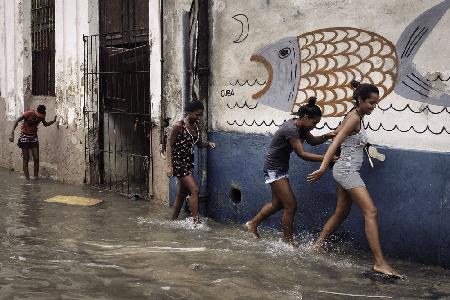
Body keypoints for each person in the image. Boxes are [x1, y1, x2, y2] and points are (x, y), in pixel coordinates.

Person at [308, 80, 401, 277]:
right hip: (347, 171)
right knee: (371, 211)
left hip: (347, 169)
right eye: (371, 103)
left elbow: (345, 139)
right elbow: (335, 143)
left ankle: (317, 245)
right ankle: (379, 262)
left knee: (341, 211)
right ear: (359, 100)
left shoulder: (357, 114)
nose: (373, 107)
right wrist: (323, 167)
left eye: (376, 103)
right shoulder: (353, 118)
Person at [245, 97, 336, 247]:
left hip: (280, 168)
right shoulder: (292, 129)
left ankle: (252, 224)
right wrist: (328, 158)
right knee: (291, 206)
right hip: (274, 169)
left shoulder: (302, 127)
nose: (314, 126)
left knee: (277, 204)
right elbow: (302, 154)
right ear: (306, 117)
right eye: (314, 123)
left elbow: (313, 141)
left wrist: (327, 136)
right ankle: (289, 243)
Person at [167, 100, 216, 224]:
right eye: (197, 115)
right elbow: (170, 145)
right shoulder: (179, 126)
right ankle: (196, 222)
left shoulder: (196, 126)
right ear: (189, 113)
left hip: (189, 163)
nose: (199, 118)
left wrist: (208, 144)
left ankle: (172, 222)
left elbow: (198, 144)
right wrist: (169, 166)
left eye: (201, 115)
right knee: (195, 190)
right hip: (179, 163)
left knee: (181, 195)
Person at [9, 105, 57, 180]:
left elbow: (45, 124)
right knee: (26, 158)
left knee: (36, 158)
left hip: (34, 137)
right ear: (36, 112)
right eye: (39, 116)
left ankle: (35, 178)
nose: (40, 117)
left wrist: (53, 121)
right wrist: (12, 133)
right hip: (24, 136)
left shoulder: (42, 116)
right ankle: (27, 179)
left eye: (41, 116)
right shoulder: (28, 114)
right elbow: (17, 120)